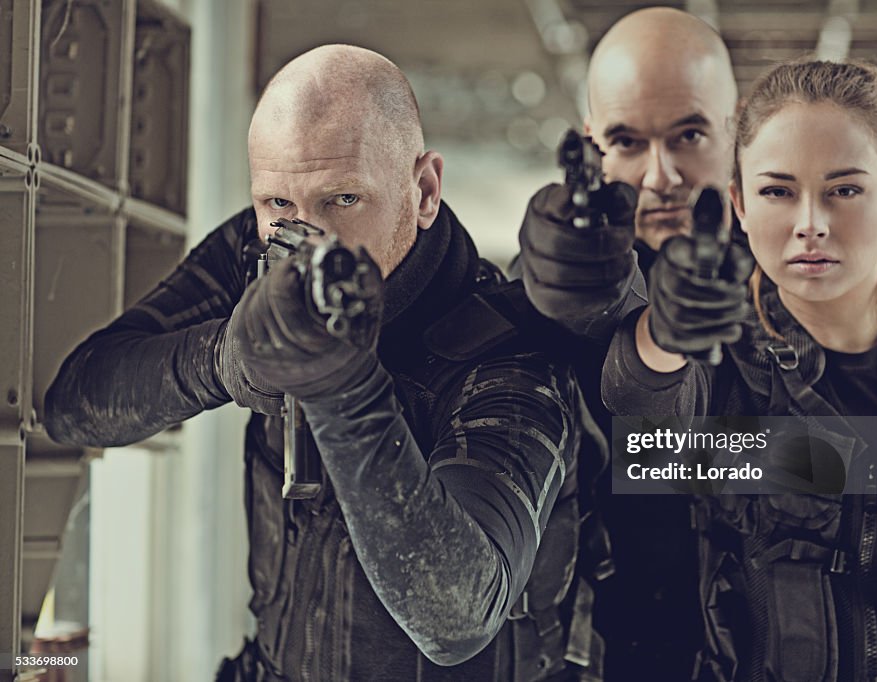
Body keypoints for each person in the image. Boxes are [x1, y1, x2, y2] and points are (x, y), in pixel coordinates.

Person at [44, 45, 600, 681]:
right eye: (278, 204)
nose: (305, 240)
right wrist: (228, 360)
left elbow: (456, 621)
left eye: (343, 200)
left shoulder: (510, 355)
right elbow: (74, 404)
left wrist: (343, 388)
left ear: (423, 191)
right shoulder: (262, 248)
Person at [603, 58, 877, 681]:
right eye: (778, 191)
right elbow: (641, 430)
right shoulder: (715, 369)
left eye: (844, 189)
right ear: (740, 206)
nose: (810, 224)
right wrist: (665, 333)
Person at [514, 8, 738, 678]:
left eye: (689, 134)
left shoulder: (800, 268)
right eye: (628, 142)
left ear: (736, 127)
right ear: (593, 145)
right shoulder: (545, 287)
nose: (660, 176)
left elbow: (871, 467)